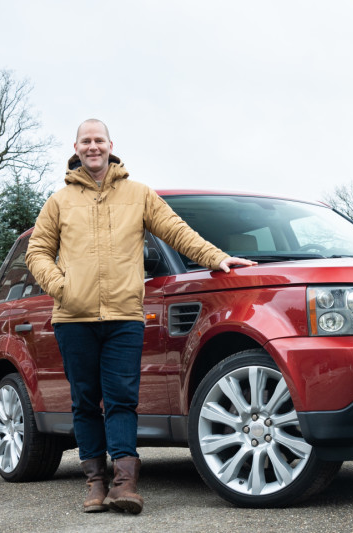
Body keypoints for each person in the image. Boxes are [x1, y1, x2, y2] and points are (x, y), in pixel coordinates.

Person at [25, 119, 255, 515]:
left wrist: (217, 258)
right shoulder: (59, 201)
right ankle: (95, 482)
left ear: (110, 145)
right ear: (76, 148)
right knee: (84, 401)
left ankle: (125, 483)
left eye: (99, 140)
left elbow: (177, 231)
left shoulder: (138, 194)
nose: (92, 147)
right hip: (73, 319)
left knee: (121, 400)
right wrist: (63, 288)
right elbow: (37, 252)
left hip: (124, 317)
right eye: (86, 141)